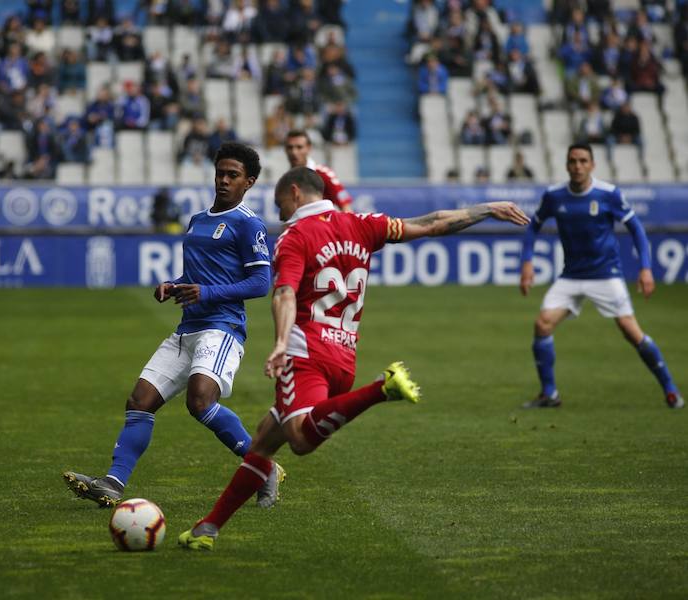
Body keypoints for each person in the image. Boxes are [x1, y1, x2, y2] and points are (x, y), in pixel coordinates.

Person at [178, 166, 530, 550]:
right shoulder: (362, 224)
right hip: (344, 356)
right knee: (265, 439)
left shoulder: (296, 235)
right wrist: (486, 209)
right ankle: (207, 529)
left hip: (306, 353)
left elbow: (283, 293)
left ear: (294, 193)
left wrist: (280, 343)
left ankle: (382, 388)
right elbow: (432, 224)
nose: (279, 213)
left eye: (280, 204)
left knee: (298, 438)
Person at [64, 143, 284, 507]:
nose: (224, 181)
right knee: (140, 400)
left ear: (249, 182)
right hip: (187, 329)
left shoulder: (249, 224)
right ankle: (113, 483)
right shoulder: (199, 219)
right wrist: (174, 284)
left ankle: (264, 467)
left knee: (200, 401)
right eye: (220, 173)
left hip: (222, 327)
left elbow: (261, 282)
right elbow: (198, 276)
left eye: (233, 176)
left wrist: (207, 292)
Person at [519, 143, 683, 410]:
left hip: (606, 274)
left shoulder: (608, 194)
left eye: (583, 161)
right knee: (542, 324)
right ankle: (549, 394)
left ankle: (670, 389)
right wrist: (527, 262)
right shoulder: (554, 196)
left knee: (631, 332)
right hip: (571, 276)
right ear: (566, 165)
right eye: (572, 161)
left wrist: (645, 267)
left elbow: (637, 229)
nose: (578, 166)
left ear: (592, 165)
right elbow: (533, 226)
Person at [284, 129, 353, 212]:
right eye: (290, 147)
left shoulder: (324, 174)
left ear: (308, 148)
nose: (294, 152)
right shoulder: (286, 180)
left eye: (299, 147)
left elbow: (346, 208)